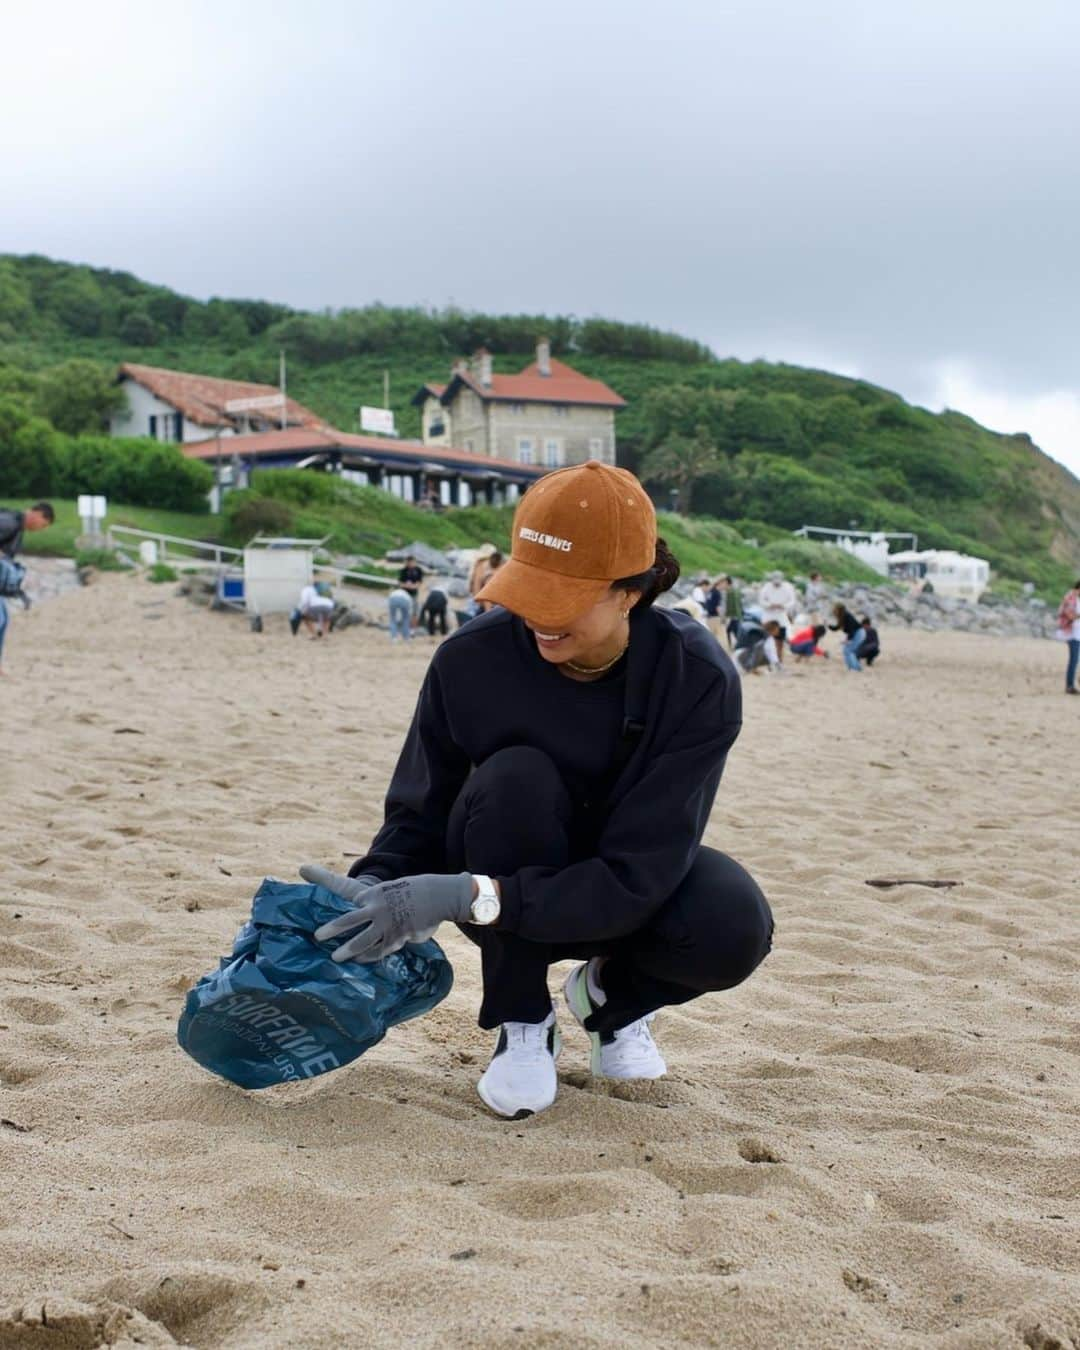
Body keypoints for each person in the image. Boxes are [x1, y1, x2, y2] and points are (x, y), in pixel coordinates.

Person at [301, 462, 771, 1119]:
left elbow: (642, 871)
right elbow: (418, 811)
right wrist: (375, 887)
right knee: (515, 781)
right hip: (503, 850)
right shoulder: (469, 661)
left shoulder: (696, 680)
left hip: (621, 887)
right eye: (528, 592)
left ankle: (609, 1001)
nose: (539, 623)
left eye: (563, 601)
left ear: (630, 592)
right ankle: (523, 1021)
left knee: (735, 925)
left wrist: (464, 894)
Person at [0, 502, 54, 674]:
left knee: (4, 619)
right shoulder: (10, 522)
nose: (41, 529)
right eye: (43, 525)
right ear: (37, 514)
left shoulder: (17, 525)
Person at [757, 571, 797, 661]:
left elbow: (792, 601)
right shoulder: (766, 587)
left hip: (781, 616)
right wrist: (770, 605)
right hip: (768, 616)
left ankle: (779, 658)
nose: (777, 583)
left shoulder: (788, 587)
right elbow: (761, 600)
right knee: (766, 639)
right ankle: (765, 658)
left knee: (780, 640)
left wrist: (783, 605)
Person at [1057, 580, 1080, 694]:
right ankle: (1069, 685)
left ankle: (1071, 684)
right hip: (1071, 632)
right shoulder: (1070, 597)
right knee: (1074, 659)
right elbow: (1070, 615)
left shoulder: (1077, 598)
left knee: (1076, 659)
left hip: (1077, 632)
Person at [829, 602, 865, 671]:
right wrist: (828, 625)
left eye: (835, 609)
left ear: (839, 609)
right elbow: (836, 628)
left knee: (848, 651)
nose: (833, 611)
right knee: (847, 650)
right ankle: (855, 668)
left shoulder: (846, 616)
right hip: (856, 633)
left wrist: (849, 639)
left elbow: (851, 628)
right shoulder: (842, 617)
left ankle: (854, 668)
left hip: (858, 633)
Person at [398, 556, 425, 621]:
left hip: (414, 592)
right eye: (409, 562)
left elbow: (419, 582)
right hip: (404, 592)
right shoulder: (403, 570)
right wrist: (406, 585)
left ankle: (413, 622)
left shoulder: (418, 570)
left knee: (414, 608)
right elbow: (400, 583)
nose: (410, 564)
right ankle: (403, 620)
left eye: (412, 562)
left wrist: (414, 586)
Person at [720, 576, 744, 648]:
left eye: (723, 583)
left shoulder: (730, 592)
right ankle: (733, 646)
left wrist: (724, 617)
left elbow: (732, 606)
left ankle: (738, 647)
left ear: (727, 583)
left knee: (734, 632)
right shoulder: (734, 591)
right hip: (735, 616)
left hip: (733, 617)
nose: (722, 585)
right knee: (729, 631)